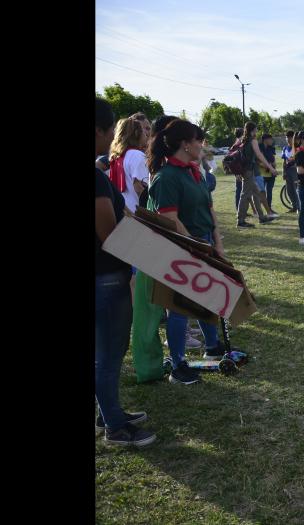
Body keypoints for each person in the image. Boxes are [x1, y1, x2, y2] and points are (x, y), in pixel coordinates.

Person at [146, 119, 228, 385]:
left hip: (202, 242)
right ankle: (178, 365)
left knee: (206, 297)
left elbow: (209, 208)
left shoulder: (193, 171)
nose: (201, 145)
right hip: (181, 246)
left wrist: (216, 242)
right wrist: (194, 244)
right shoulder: (166, 177)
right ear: (185, 144)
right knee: (179, 308)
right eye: (197, 140)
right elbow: (170, 219)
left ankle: (212, 347)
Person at [95, 96, 156, 446]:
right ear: (100, 130)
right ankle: (116, 426)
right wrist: (151, 256)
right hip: (107, 276)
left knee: (105, 353)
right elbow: (111, 234)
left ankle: (110, 412)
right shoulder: (97, 179)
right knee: (109, 353)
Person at [236, 122, 279, 228]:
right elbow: (259, 155)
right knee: (245, 195)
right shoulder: (253, 140)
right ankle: (240, 221)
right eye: (256, 129)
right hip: (249, 171)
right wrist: (271, 168)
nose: (257, 131)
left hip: (247, 170)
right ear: (252, 130)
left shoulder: (244, 140)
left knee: (257, 193)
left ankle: (262, 217)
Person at [108, 116, 151, 213]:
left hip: (123, 211)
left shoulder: (118, 156)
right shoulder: (137, 155)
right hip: (137, 213)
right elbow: (139, 187)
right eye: (143, 131)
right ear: (137, 134)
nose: (146, 135)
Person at [281, 130, 300, 212]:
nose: (288, 139)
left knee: (297, 189)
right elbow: (284, 161)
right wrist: (283, 171)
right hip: (288, 171)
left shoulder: (297, 148)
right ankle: (294, 206)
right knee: (289, 190)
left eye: (290, 137)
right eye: (287, 137)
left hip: (295, 171)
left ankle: (299, 207)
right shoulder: (285, 148)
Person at [260, 133, 278, 208]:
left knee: (269, 193)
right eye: (270, 139)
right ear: (265, 140)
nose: (272, 140)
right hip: (262, 174)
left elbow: (273, 159)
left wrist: (273, 165)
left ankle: (269, 209)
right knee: (261, 193)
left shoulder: (271, 148)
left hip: (271, 174)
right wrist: (266, 165)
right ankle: (259, 210)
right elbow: (258, 161)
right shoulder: (259, 147)